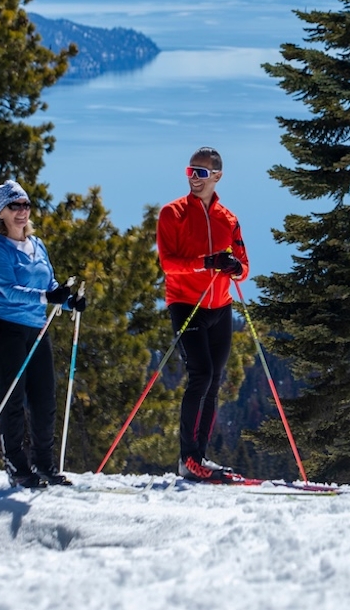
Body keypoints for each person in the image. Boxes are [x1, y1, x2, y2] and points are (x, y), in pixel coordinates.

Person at [0, 179, 86, 489]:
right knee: (13, 398)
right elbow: (9, 291)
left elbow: (50, 286)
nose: (22, 211)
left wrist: (69, 300)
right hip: (3, 329)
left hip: (36, 330)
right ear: (1, 212)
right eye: (15, 206)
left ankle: (44, 464)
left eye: (25, 205)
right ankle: (17, 465)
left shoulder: (37, 245)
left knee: (43, 398)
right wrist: (47, 298)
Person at [156, 147, 250, 483]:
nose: (194, 178)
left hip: (220, 307)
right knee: (201, 374)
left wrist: (234, 267)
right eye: (190, 171)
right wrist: (205, 262)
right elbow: (168, 265)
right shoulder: (173, 213)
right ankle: (187, 457)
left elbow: (244, 268)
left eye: (201, 172)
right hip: (185, 304)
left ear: (217, 176)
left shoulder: (229, 218)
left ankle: (200, 458)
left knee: (214, 382)